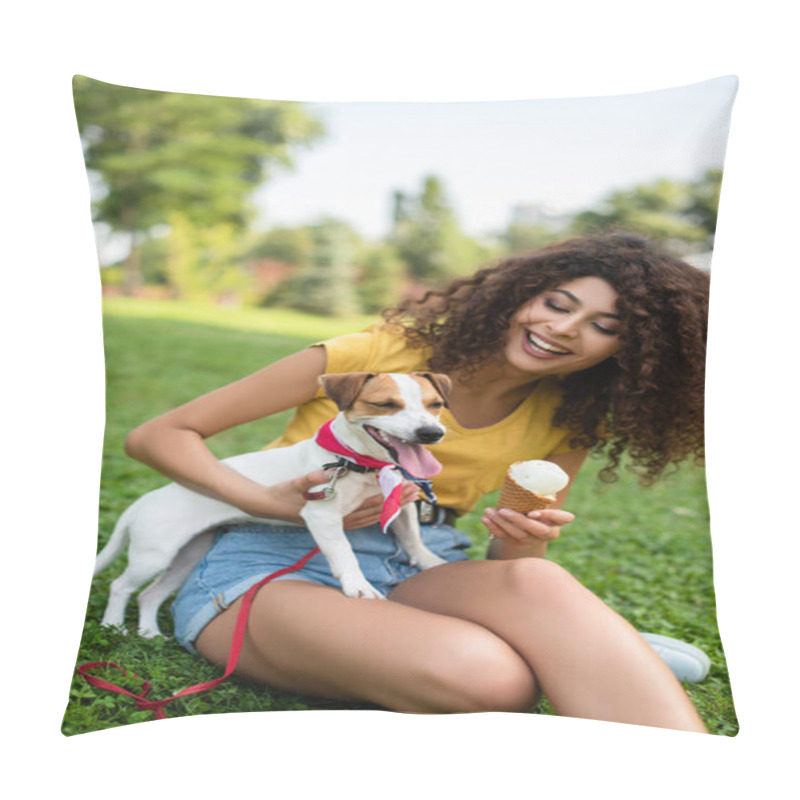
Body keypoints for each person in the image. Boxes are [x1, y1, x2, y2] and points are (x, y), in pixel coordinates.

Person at [124, 232, 710, 732]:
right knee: (492, 678)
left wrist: (525, 530)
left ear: (626, 351)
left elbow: (510, 555)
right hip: (274, 556)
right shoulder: (376, 355)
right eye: (557, 303)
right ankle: (595, 650)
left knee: (538, 577)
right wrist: (267, 504)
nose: (563, 329)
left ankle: (595, 657)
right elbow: (160, 434)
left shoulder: (571, 415)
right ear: (522, 293)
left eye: (603, 326)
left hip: (422, 556)